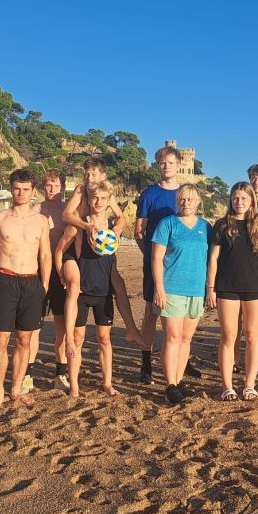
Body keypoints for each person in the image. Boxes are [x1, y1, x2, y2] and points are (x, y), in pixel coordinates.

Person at [56, 182, 137, 398]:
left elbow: (121, 221)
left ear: (109, 201)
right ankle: (74, 386)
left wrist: (118, 227)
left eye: (103, 198)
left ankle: (107, 383)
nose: (98, 202)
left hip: (103, 291)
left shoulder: (113, 228)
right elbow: (60, 250)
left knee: (105, 340)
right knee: (77, 339)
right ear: (88, 199)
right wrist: (61, 273)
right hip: (82, 291)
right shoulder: (79, 225)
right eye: (94, 198)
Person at [0, 169, 52, 410]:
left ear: (33, 191)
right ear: (11, 189)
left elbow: (45, 254)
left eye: (25, 189)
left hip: (31, 282)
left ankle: (16, 388)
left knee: (24, 339)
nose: (21, 193)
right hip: (5, 280)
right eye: (17, 188)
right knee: (0, 340)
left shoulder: (41, 221)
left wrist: (44, 285)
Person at [207, 182, 258, 401]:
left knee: (253, 336)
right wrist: (211, 288)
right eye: (236, 198)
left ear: (251, 201)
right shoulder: (222, 225)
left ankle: (249, 384)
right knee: (228, 336)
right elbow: (214, 259)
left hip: (255, 286)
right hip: (227, 287)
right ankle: (227, 386)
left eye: (244, 198)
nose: (239, 202)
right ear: (231, 200)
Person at [151, 184, 211, 405]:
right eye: (182, 199)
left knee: (186, 339)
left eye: (190, 199)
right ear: (177, 201)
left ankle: (178, 380)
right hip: (172, 289)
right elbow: (156, 258)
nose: (186, 203)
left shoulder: (205, 227)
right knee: (173, 337)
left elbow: (211, 259)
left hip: (196, 290)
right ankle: (170, 385)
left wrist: (210, 289)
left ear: (198, 201)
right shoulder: (167, 223)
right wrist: (159, 288)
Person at [136, 146, 184, 384]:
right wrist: (151, 256)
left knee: (180, 312)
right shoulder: (149, 194)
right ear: (157, 165)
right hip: (154, 264)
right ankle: (146, 362)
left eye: (170, 163)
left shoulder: (185, 194)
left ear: (179, 165)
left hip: (180, 264)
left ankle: (181, 360)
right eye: (162, 163)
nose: (166, 167)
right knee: (151, 312)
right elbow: (139, 231)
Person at [28, 169, 71, 393]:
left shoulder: (68, 211)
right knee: (33, 325)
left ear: (62, 187)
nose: (51, 189)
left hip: (62, 272)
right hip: (37, 271)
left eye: (55, 185)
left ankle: (60, 374)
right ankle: (27, 374)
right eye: (48, 185)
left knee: (62, 326)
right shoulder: (35, 210)